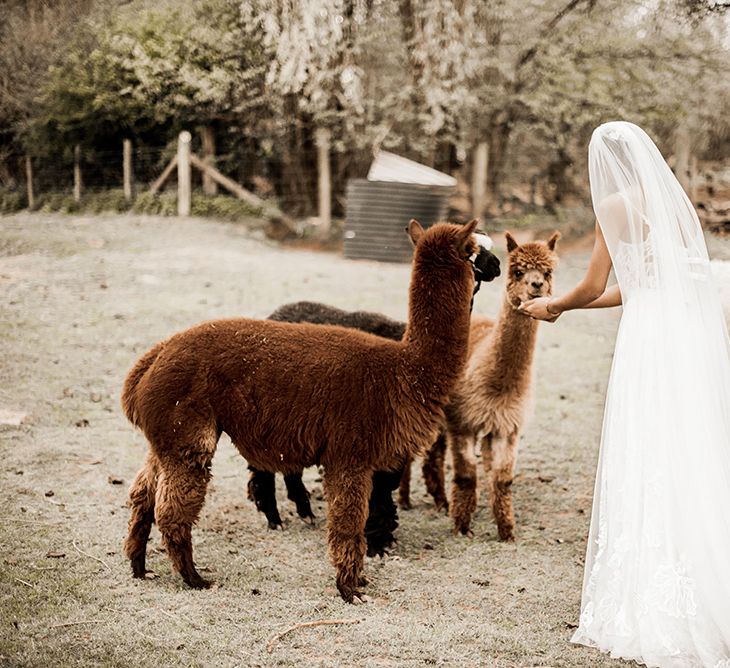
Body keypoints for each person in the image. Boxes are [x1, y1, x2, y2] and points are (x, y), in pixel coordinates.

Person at [520, 121, 730, 667]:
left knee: (649, 441)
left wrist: (556, 306)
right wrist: (565, 304)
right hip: (680, 328)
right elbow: (644, 283)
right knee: (686, 441)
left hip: (650, 336)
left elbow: (595, 285)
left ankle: (656, 590)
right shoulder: (671, 201)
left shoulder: (613, 207)